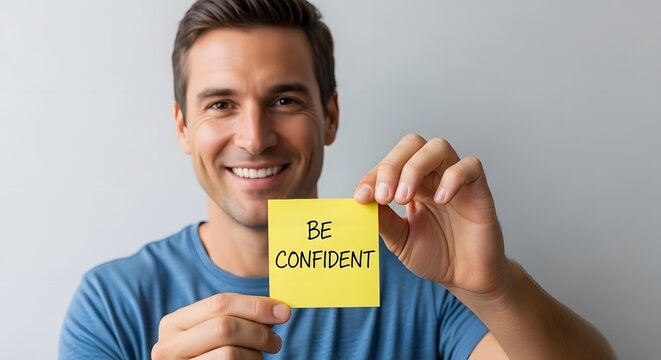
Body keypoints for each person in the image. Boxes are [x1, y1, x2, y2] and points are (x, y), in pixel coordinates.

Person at [59, 0, 615, 359]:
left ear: (330, 116)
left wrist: (494, 287)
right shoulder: (113, 303)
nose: (254, 137)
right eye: (221, 104)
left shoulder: (429, 280)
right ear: (183, 126)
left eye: (284, 99)